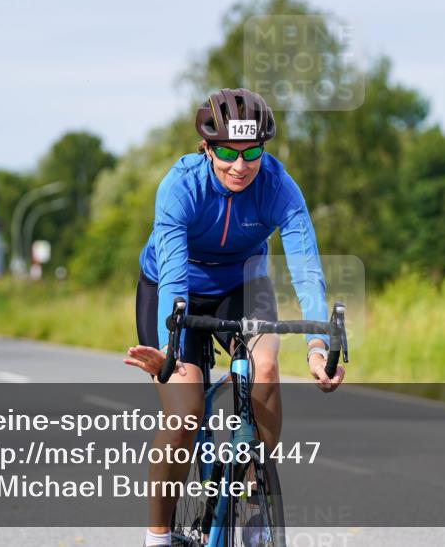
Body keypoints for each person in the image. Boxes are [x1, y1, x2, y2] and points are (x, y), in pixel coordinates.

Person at [123, 88, 345, 547]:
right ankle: (157, 537)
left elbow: (305, 266)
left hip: (242, 285)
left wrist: (317, 347)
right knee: (185, 414)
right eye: (227, 152)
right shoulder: (180, 186)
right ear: (206, 148)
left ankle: (253, 498)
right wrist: (169, 350)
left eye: (251, 153)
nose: (240, 166)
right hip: (174, 289)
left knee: (265, 367)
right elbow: (173, 278)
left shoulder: (279, 186)